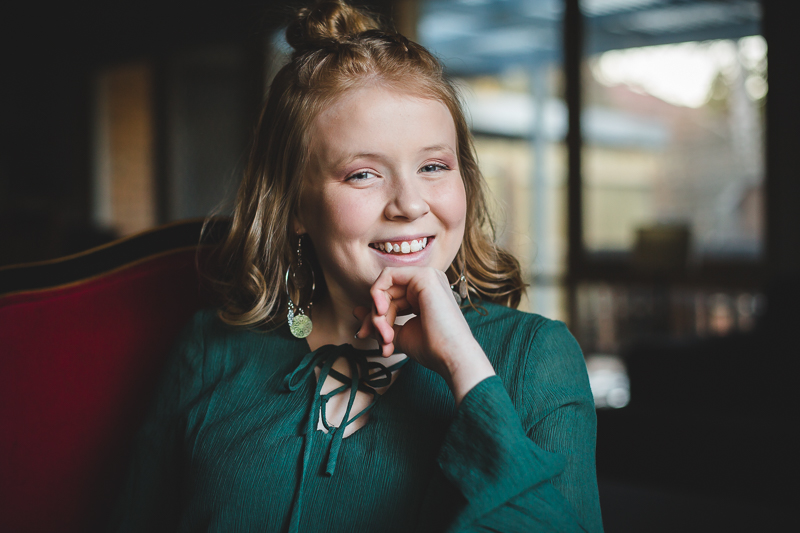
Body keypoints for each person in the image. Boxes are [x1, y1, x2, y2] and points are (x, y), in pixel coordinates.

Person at [112, 1, 603, 531]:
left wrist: (464, 367)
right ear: (295, 206)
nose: (410, 204)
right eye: (363, 175)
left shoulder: (538, 359)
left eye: (434, 166)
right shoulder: (208, 349)